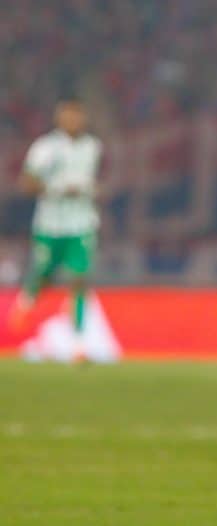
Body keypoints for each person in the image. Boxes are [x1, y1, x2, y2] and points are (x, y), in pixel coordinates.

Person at [9, 99, 103, 360]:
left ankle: (79, 345)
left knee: (80, 278)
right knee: (43, 274)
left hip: (82, 224)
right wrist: (56, 190)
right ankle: (27, 300)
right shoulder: (45, 148)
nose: (73, 121)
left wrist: (93, 190)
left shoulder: (93, 147)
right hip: (50, 224)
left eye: (77, 116)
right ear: (59, 119)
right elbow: (26, 184)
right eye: (68, 116)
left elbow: (95, 181)